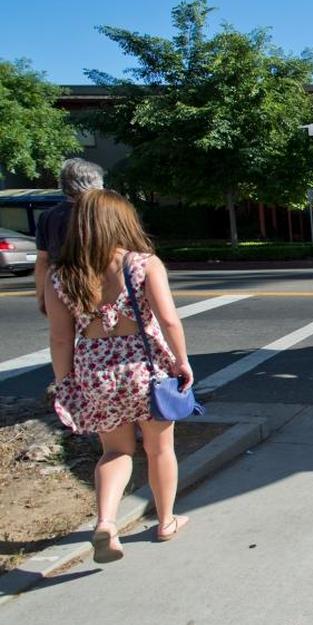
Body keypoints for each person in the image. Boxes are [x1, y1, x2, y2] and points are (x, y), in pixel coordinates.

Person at [44, 189, 193, 563]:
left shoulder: (61, 275)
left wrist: (66, 382)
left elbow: (61, 337)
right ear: (122, 222)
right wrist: (182, 360)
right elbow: (168, 319)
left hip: (95, 372)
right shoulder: (144, 264)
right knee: (159, 448)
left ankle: (107, 522)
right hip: (145, 368)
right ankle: (165, 521)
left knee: (115, 450)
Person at [35, 158, 105, 315]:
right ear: (95, 183)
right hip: (102, 290)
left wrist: (42, 296)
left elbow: (43, 260)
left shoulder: (48, 217)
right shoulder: (105, 213)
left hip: (62, 290)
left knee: (63, 338)